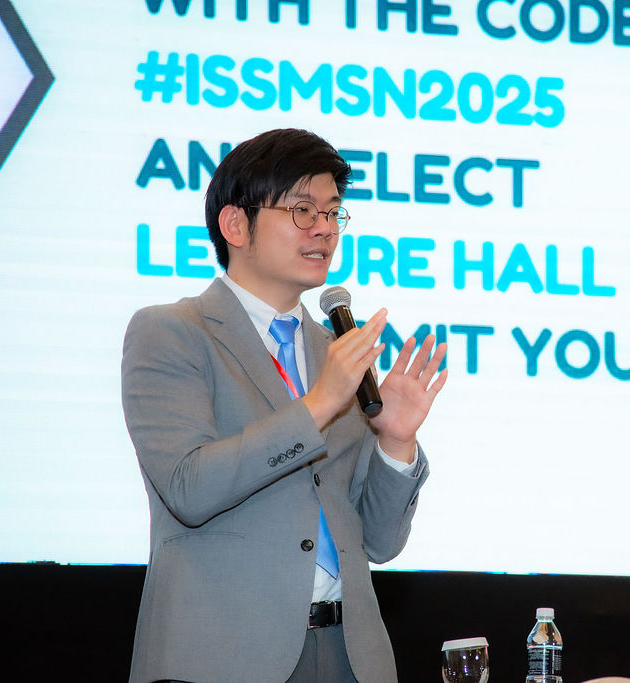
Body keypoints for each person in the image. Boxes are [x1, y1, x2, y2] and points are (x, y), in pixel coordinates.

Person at [121, 128, 446, 683]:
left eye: (333, 212)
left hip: (349, 656)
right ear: (235, 225)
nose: (324, 228)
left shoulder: (334, 352)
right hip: (224, 655)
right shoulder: (173, 332)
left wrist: (396, 442)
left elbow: (379, 541)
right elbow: (188, 489)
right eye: (302, 210)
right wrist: (318, 405)